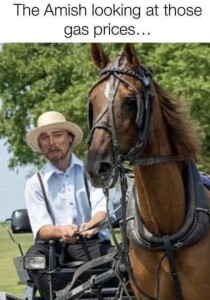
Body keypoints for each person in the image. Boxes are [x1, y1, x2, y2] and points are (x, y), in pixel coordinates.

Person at [25, 111, 115, 300]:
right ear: (40, 145)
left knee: (124, 259)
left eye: (57, 135)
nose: (51, 142)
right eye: (44, 137)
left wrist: (92, 225)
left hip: (90, 242)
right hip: (53, 247)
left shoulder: (91, 173)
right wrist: (61, 231)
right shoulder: (35, 182)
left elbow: (102, 209)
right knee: (34, 259)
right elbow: (41, 229)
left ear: (70, 138)